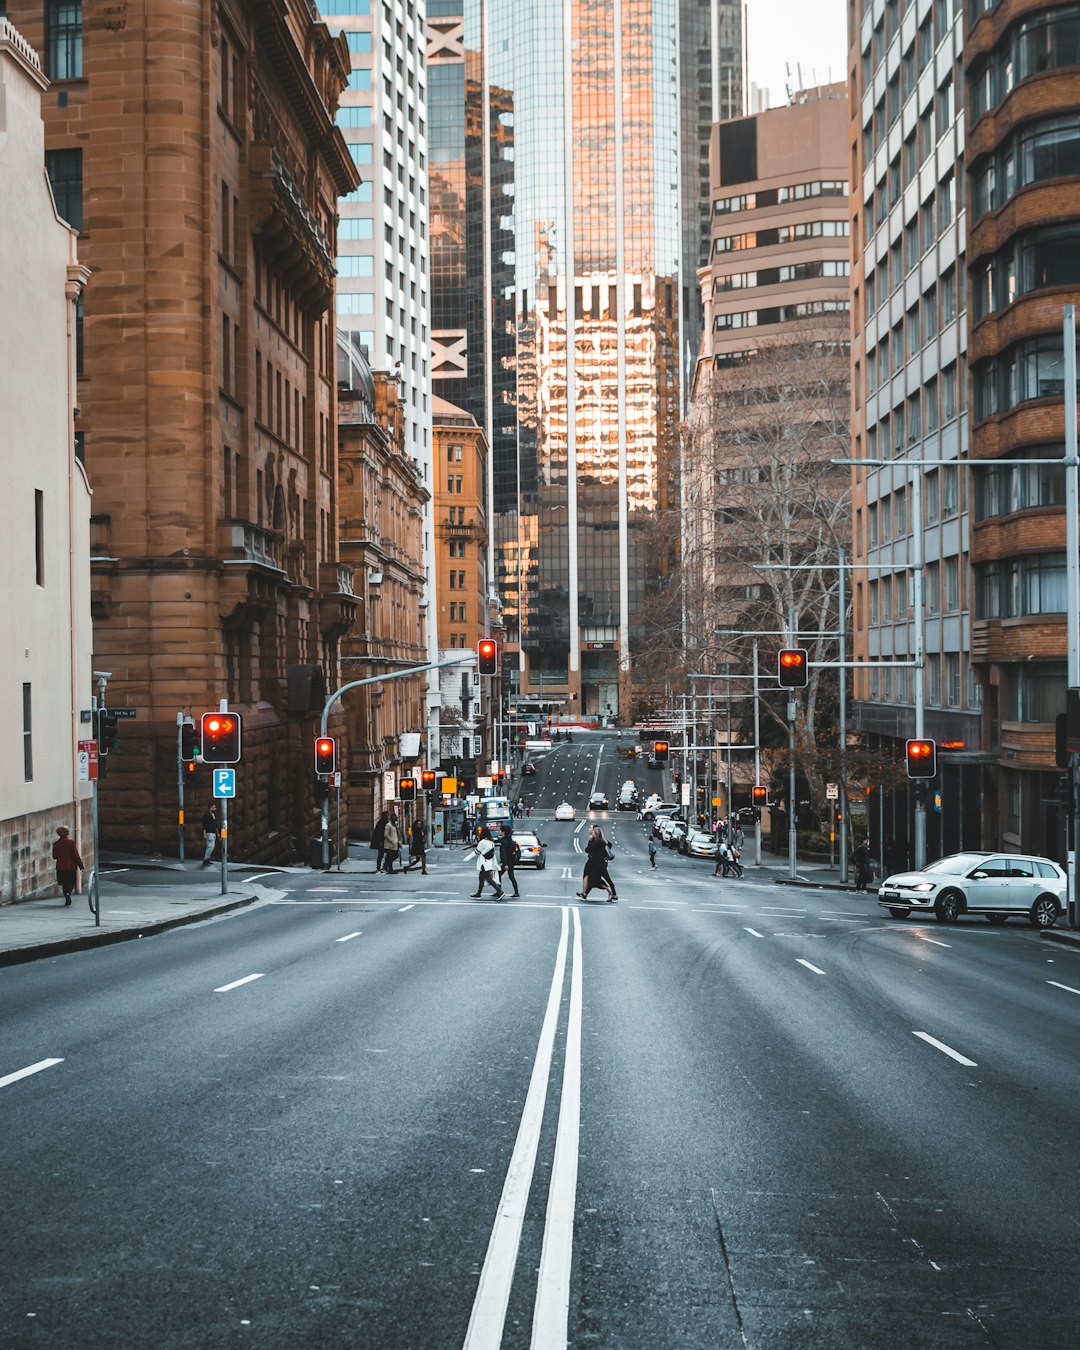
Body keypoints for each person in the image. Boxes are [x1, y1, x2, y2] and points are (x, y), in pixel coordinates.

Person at [580, 825, 617, 902]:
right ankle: (614, 894)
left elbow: (588, 850)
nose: (591, 833)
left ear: (596, 834)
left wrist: (590, 841)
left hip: (598, 864)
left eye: (593, 832)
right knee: (608, 879)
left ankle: (585, 894)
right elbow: (609, 845)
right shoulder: (604, 841)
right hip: (603, 863)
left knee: (593, 879)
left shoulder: (597, 842)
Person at [51, 826, 84, 906]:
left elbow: (54, 856)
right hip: (70, 866)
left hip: (60, 866)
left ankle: (67, 895)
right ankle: (68, 893)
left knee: (64, 883)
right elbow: (75, 856)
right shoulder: (71, 843)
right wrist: (81, 866)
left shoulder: (56, 844)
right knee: (71, 882)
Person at [471, 826, 504, 899]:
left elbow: (478, 851)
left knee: (488, 879)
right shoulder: (491, 842)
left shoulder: (483, 842)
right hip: (488, 862)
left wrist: (467, 858)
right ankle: (478, 893)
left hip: (484, 863)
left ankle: (500, 891)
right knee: (481, 878)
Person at [497, 822, 521, 898]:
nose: (499, 832)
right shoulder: (510, 839)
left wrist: (505, 864)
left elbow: (503, 853)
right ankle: (516, 892)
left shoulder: (504, 841)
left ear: (503, 832)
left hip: (507, 862)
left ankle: (499, 891)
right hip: (511, 861)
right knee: (511, 877)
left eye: (500, 830)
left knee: (498, 875)